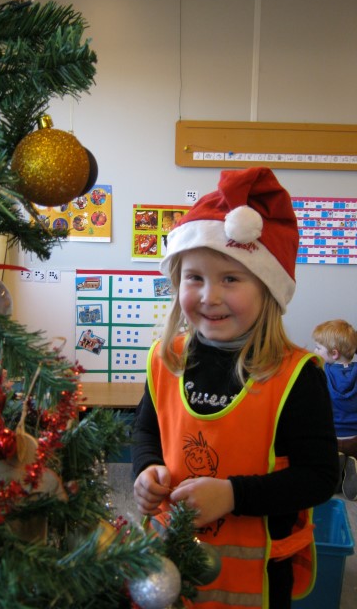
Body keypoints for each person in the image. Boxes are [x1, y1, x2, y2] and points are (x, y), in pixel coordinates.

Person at [131, 167, 339, 609]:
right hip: (168, 567)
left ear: (267, 288)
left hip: (258, 581)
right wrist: (146, 469)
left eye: (230, 278)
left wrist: (233, 495)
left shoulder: (298, 376)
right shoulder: (165, 359)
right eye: (195, 277)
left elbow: (320, 477)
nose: (209, 296)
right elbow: (147, 431)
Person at [313, 318, 357, 500]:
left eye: (318, 348)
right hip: (355, 436)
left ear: (334, 353)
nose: (315, 351)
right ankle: (352, 465)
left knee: (320, 452)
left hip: (333, 435)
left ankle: (336, 465)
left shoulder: (323, 371)